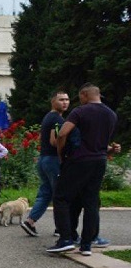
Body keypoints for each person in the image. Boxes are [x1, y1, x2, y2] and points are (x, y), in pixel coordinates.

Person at [47, 83, 120, 255]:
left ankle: (65, 239)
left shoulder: (80, 111)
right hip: (100, 161)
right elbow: (100, 142)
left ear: (85, 94)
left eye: (80, 97)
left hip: (79, 160)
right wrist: (109, 150)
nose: (79, 101)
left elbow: (63, 133)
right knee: (91, 202)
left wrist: (61, 153)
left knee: (61, 197)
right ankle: (87, 245)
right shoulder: (111, 114)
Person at [21, 90, 70, 236]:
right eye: (61, 99)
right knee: (59, 195)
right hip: (53, 160)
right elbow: (54, 141)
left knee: (46, 192)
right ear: (53, 101)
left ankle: (30, 221)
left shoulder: (48, 117)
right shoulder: (57, 120)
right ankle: (61, 228)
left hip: (43, 159)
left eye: (67, 100)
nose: (65, 102)